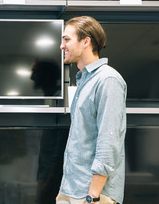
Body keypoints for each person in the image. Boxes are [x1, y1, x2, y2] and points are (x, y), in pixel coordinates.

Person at [57, 16, 127, 204]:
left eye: (67, 39)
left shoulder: (108, 80)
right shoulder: (83, 81)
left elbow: (108, 140)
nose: (62, 46)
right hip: (71, 188)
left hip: (92, 194)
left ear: (86, 41)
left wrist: (92, 196)